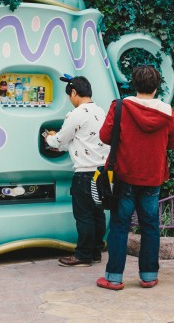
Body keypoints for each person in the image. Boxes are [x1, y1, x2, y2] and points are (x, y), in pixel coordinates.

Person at [96, 65, 174, 290]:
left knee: (120, 226)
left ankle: (113, 278)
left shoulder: (121, 107)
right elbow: (172, 142)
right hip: (153, 178)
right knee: (150, 226)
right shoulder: (167, 111)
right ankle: (149, 275)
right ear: (156, 86)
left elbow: (104, 136)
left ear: (134, 83)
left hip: (125, 176)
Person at [44, 75, 109, 267]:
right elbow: (80, 141)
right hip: (101, 173)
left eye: (69, 96)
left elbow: (61, 140)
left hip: (84, 174)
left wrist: (49, 137)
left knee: (84, 215)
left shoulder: (76, 114)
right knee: (97, 214)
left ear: (74, 93)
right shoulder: (100, 111)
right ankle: (96, 252)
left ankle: (83, 255)